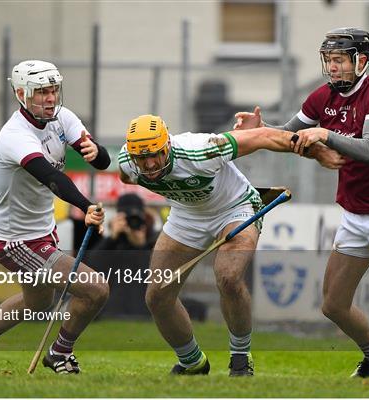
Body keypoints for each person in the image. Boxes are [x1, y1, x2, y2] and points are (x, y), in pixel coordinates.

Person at [234, 27, 369, 380]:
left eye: (339, 60)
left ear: (361, 61)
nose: (333, 67)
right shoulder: (321, 98)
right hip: (355, 217)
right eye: (329, 60)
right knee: (333, 305)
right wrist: (260, 129)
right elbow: (290, 135)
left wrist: (325, 134)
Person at [118, 114, 343, 377]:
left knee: (228, 277)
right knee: (157, 296)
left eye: (155, 154)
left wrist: (316, 152)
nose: (150, 164)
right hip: (186, 216)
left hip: (235, 208)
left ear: (168, 145)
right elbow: (126, 177)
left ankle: (240, 357)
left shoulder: (201, 150)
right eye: (141, 158)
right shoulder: (128, 163)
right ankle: (193, 363)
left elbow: (264, 137)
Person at [0, 60, 111, 374]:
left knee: (38, 303)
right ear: (22, 94)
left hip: (42, 233)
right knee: (96, 289)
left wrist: (96, 151)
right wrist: (85, 205)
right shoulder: (14, 136)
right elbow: (51, 177)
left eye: (53, 90)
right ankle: (60, 353)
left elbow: (100, 159)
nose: (50, 98)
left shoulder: (61, 117)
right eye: (41, 92)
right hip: (17, 241)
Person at [87, 193, 157, 318]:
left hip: (143, 310)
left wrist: (141, 247)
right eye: (126, 217)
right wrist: (112, 239)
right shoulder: (111, 242)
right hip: (110, 310)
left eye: (135, 217)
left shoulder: (152, 238)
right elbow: (92, 267)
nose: (131, 222)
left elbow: (156, 274)